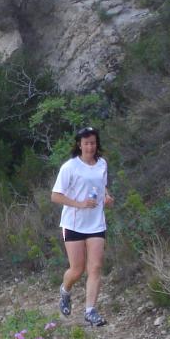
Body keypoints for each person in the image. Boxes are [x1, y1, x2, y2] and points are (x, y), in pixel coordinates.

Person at [51, 125, 114, 327]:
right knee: (77, 270)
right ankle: (65, 291)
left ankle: (90, 311)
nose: (90, 147)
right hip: (73, 223)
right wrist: (80, 204)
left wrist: (107, 196)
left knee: (95, 267)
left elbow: (102, 185)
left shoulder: (102, 163)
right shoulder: (69, 167)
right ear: (79, 144)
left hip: (96, 223)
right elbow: (55, 196)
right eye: (86, 143)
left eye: (93, 143)